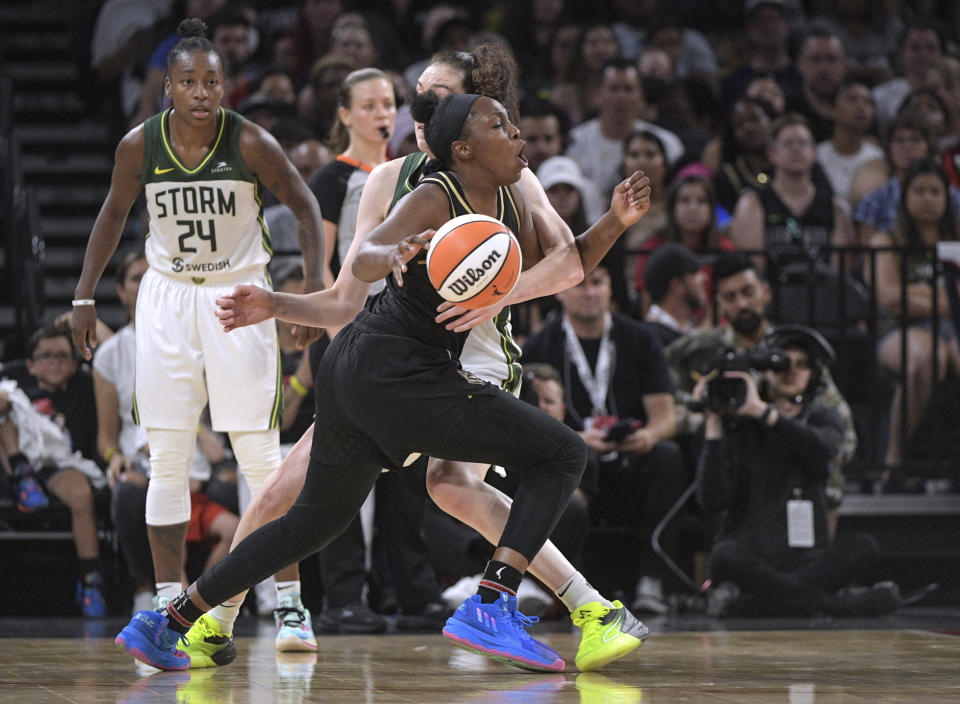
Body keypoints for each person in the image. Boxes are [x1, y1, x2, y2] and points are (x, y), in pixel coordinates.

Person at [135, 43, 652, 674]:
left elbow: (568, 261)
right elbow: (363, 266)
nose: (417, 113)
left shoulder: (514, 180)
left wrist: (615, 223)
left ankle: (174, 621)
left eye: (436, 100)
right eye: (422, 103)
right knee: (556, 455)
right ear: (456, 139)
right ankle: (508, 602)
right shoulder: (424, 187)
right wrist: (371, 262)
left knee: (312, 523)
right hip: (403, 372)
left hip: (390, 369)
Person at [71, 19, 324, 654]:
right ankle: (166, 610)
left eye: (212, 81)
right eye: (189, 82)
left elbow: (306, 207)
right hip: (166, 298)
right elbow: (112, 215)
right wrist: (83, 294)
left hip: (238, 295)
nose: (202, 92)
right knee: (167, 457)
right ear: (168, 89)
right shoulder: (139, 145)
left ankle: (290, 607)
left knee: (259, 456)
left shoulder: (252, 142)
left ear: (226, 86)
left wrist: (315, 290)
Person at [694, 327, 899, 618]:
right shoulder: (741, 425)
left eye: (802, 365)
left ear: (813, 374)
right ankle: (840, 606)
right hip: (751, 556)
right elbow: (711, 499)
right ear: (765, 371)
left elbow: (821, 451)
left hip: (806, 558)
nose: (791, 372)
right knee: (723, 555)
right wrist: (714, 425)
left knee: (866, 547)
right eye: (781, 363)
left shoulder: (822, 417)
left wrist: (765, 414)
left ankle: (750, 605)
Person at [522, 261, 684, 615]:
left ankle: (652, 580)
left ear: (611, 287)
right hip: (575, 458)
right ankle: (558, 587)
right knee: (562, 461)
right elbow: (526, 422)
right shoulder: (540, 344)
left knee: (668, 456)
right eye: (580, 284)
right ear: (560, 289)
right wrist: (575, 438)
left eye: (598, 282)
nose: (590, 292)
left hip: (629, 457)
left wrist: (647, 435)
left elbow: (666, 418)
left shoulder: (640, 339)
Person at [667, 253, 857, 523]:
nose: (742, 304)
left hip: (791, 460)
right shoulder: (700, 350)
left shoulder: (796, 350)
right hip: (733, 463)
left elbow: (845, 438)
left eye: (748, 292)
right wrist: (706, 415)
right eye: (730, 297)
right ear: (719, 304)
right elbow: (661, 394)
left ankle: (815, 559)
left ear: (765, 292)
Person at [0, 323, 107, 617]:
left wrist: (84, 319)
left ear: (74, 364)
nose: (54, 362)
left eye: (62, 356)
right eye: (46, 356)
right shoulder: (14, 384)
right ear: (31, 365)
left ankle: (90, 581)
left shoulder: (85, 388)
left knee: (81, 494)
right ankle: (21, 477)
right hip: (12, 462)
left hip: (58, 464)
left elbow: (109, 351)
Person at [868, 158, 960, 486]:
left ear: (947, 197)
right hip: (898, 331)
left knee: (951, 354)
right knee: (927, 358)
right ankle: (893, 462)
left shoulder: (957, 238)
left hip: (954, 331)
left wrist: (917, 294)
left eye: (936, 191)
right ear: (905, 197)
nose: (927, 198)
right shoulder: (887, 241)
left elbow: (906, 295)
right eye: (919, 190)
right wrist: (947, 299)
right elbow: (891, 298)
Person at [730, 113, 854, 272]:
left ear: (814, 152)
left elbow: (841, 276)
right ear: (771, 153)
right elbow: (753, 272)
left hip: (822, 293)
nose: (796, 149)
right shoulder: (752, 203)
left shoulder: (836, 207)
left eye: (802, 143)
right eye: (787, 143)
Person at [308, 67, 396, 289]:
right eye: (369, 106)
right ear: (345, 116)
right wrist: (338, 324)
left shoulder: (407, 171)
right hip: (357, 314)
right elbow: (318, 265)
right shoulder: (328, 179)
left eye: (388, 104)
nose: (382, 113)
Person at [566, 60, 683, 200]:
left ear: (641, 96)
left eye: (628, 89)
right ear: (598, 94)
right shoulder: (575, 142)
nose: (621, 97)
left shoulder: (668, 143)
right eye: (613, 89)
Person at [816, 78, 883, 207]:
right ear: (834, 110)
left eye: (868, 102)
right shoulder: (816, 156)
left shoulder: (879, 157)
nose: (861, 106)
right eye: (852, 99)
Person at [642, 243, 708, 347]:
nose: (704, 278)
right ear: (676, 286)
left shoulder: (686, 331)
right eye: (695, 273)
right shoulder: (654, 340)